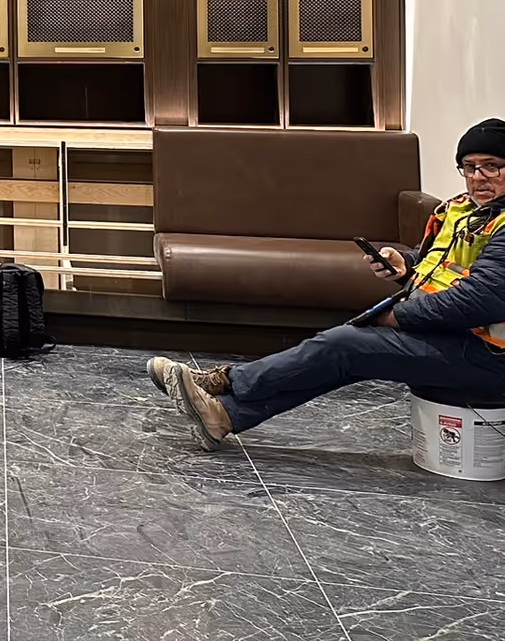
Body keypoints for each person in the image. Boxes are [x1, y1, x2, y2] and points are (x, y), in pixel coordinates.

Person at [150, 118, 505, 450]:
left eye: (491, 166)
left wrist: (398, 317)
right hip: (452, 334)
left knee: (345, 345)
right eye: (469, 167)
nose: (478, 177)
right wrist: (406, 263)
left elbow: (482, 298)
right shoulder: (462, 209)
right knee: (341, 352)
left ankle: (226, 382)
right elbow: (444, 261)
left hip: (488, 356)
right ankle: (224, 416)